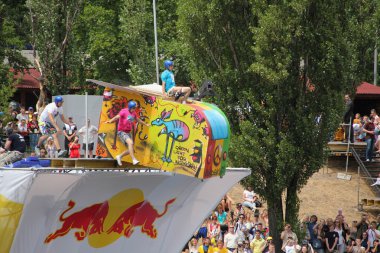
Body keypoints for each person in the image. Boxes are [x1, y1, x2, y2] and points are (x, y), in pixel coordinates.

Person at [106, 100, 149, 166]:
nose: (135, 109)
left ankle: (119, 156)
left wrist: (145, 124)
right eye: (134, 108)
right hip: (122, 132)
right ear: (130, 108)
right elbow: (117, 117)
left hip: (128, 132)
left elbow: (137, 120)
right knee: (130, 143)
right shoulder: (124, 111)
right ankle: (134, 159)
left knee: (130, 149)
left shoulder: (134, 113)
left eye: (135, 108)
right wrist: (110, 121)